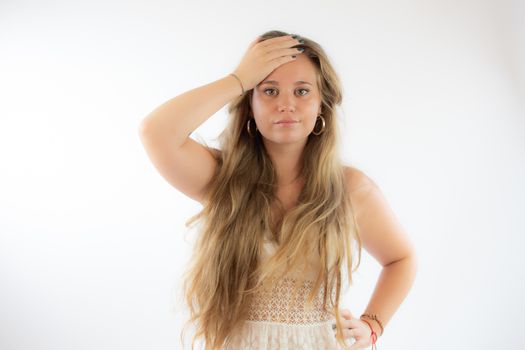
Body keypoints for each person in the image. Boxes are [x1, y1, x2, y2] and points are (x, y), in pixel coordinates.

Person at [139, 30, 418, 350]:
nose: (286, 104)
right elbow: (155, 131)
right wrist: (240, 78)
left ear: (321, 107)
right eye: (269, 90)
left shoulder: (349, 189)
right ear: (250, 107)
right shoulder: (224, 180)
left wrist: (373, 325)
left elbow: (401, 258)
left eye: (302, 91)